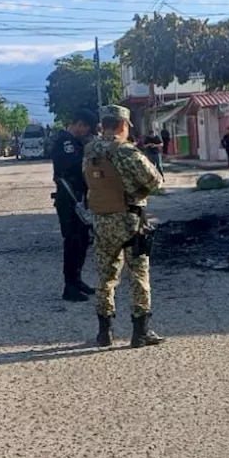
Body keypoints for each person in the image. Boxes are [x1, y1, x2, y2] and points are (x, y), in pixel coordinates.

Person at [84, 105, 165, 349]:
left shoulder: (90, 150)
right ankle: (141, 331)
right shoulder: (126, 151)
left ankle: (104, 333)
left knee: (105, 276)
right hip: (130, 221)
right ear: (122, 125)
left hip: (101, 220)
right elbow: (155, 182)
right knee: (138, 274)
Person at [50, 109, 98, 302]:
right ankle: (69, 286)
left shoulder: (77, 142)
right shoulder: (64, 141)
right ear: (80, 124)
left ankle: (77, 279)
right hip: (68, 196)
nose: (86, 132)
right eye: (86, 128)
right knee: (72, 241)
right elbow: (74, 165)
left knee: (84, 240)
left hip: (80, 196)